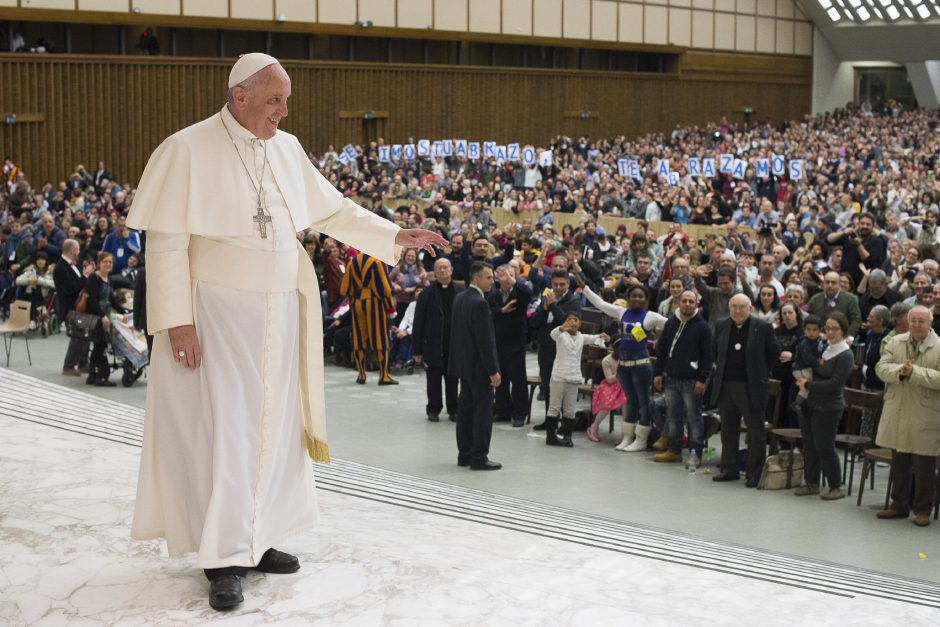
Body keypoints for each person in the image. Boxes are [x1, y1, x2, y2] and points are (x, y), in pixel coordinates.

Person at [126, 53, 445, 611]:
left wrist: (397, 235)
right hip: (218, 313)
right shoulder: (187, 148)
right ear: (240, 95)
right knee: (229, 427)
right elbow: (167, 242)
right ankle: (224, 554)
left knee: (275, 425)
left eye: (286, 99)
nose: (284, 110)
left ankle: (262, 534)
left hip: (282, 309)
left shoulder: (288, 148)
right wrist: (177, 322)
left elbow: (334, 212)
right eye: (275, 99)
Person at [874, 306, 940, 527]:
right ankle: (899, 504)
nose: (917, 325)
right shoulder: (895, 341)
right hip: (899, 411)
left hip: (925, 414)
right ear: (908, 322)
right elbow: (881, 368)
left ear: (930, 323)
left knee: (924, 466)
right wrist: (899, 371)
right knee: (899, 462)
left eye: (922, 321)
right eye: (914, 321)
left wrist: (915, 373)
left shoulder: (939, 346)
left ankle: (922, 510)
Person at [583, 284, 667, 452]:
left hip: (641, 366)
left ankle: (641, 439)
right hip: (623, 366)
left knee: (643, 402)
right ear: (628, 299)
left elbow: (674, 324)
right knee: (629, 402)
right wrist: (584, 286)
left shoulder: (651, 316)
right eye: (633, 296)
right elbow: (600, 304)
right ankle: (628, 436)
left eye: (640, 296)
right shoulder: (622, 312)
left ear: (646, 300)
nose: (637, 299)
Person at [711, 294, 781, 487]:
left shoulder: (763, 327)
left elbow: (774, 352)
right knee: (728, 430)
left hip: (751, 386)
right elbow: (715, 351)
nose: (738, 311)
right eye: (734, 307)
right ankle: (729, 469)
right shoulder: (721, 325)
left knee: (755, 433)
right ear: (729, 308)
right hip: (726, 385)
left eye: (742, 307)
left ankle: (755, 473)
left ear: (750, 308)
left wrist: (760, 371)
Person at [794, 313, 855, 500]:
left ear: (843, 330)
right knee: (809, 445)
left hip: (828, 407)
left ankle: (835, 486)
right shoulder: (823, 348)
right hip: (810, 404)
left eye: (835, 328)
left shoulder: (845, 354)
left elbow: (835, 384)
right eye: (827, 328)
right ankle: (812, 483)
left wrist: (807, 385)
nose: (830, 332)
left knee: (825, 447)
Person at [449, 262, 502, 470]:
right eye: (489, 278)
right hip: (479, 368)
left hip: (463, 365)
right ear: (476, 279)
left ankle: (465, 453)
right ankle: (479, 456)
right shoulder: (480, 303)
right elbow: (485, 341)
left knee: (466, 411)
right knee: (482, 413)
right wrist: (493, 370)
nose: (492, 281)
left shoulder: (460, 298)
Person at [652, 290, 714, 464]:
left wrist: (702, 379)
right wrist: (658, 372)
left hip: (692, 381)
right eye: (684, 301)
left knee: (694, 418)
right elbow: (662, 349)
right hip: (671, 378)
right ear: (678, 302)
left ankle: (696, 454)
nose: (687, 304)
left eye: (691, 301)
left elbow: (708, 357)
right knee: (673, 416)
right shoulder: (671, 322)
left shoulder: (703, 327)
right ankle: (674, 450)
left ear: (696, 304)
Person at [544, 312, 609, 447]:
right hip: (559, 376)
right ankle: (551, 437)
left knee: (570, 408)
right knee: (554, 407)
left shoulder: (581, 337)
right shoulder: (561, 335)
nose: (572, 322)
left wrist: (603, 336)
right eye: (569, 319)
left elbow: (594, 338)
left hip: (573, 377)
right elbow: (553, 334)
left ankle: (568, 436)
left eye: (575, 320)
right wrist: (562, 328)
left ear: (580, 324)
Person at [412, 258, 463, 423]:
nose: (442, 271)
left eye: (445, 267)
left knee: (453, 379)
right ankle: (433, 409)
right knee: (433, 380)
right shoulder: (426, 293)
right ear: (434, 272)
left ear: (451, 270)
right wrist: (417, 350)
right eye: (439, 268)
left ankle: (454, 409)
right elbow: (418, 322)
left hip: (454, 344)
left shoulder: (461, 291)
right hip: (433, 344)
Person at [341, 251, 398, 386]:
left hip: (357, 302)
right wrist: (390, 307)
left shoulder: (352, 261)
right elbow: (385, 289)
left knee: (359, 338)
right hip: (374, 302)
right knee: (380, 338)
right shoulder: (376, 261)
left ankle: (361, 375)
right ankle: (383, 376)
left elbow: (345, 288)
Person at [530, 269, 582, 415]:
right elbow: (534, 322)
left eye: (562, 285)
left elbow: (568, 324)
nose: (558, 288)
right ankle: (549, 419)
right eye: (555, 284)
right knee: (546, 385)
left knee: (560, 387)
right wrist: (544, 308)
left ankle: (561, 420)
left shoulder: (574, 301)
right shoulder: (546, 296)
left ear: (568, 284)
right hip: (545, 347)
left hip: (563, 351)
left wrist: (552, 305)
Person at [487, 264, 533, 427]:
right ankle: (503, 410)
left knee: (518, 378)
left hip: (516, 343)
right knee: (501, 379)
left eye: (510, 275)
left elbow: (528, 293)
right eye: (502, 276)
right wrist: (502, 311)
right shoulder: (492, 295)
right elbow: (489, 315)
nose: (506, 278)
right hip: (498, 342)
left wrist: (514, 281)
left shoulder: (519, 292)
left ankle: (520, 412)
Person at [53, 239, 92, 375]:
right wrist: (85, 276)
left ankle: (83, 363)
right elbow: (70, 289)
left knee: (86, 334)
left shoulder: (74, 265)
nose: (79, 253)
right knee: (77, 337)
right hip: (69, 307)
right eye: (78, 250)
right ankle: (68, 366)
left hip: (80, 306)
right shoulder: (60, 268)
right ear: (73, 251)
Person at [83, 252, 120, 387]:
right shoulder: (94, 278)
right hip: (97, 318)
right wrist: (102, 316)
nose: (108, 264)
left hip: (105, 317)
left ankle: (92, 376)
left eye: (110, 262)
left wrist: (125, 312)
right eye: (105, 261)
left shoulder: (107, 279)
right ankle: (101, 377)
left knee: (99, 347)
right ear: (99, 263)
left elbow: (112, 300)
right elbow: (92, 300)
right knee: (100, 346)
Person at [789, 315, 827, 421]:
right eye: (808, 330)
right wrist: (818, 362)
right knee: (806, 385)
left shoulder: (818, 340)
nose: (811, 333)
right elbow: (807, 359)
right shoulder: (804, 343)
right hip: (801, 368)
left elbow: (820, 348)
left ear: (820, 330)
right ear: (804, 330)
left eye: (815, 330)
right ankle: (797, 403)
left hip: (806, 368)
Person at [585, 349, 627, 444]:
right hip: (610, 386)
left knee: (626, 402)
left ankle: (625, 435)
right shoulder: (606, 360)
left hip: (624, 385)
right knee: (607, 403)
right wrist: (620, 372)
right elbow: (610, 380)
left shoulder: (626, 357)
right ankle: (594, 427)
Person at [806, 271, 862, 338]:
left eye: (833, 283)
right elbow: (808, 319)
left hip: (842, 339)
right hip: (818, 338)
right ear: (823, 284)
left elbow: (856, 320)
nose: (830, 285)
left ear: (839, 284)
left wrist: (849, 336)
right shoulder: (815, 299)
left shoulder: (851, 299)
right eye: (827, 282)